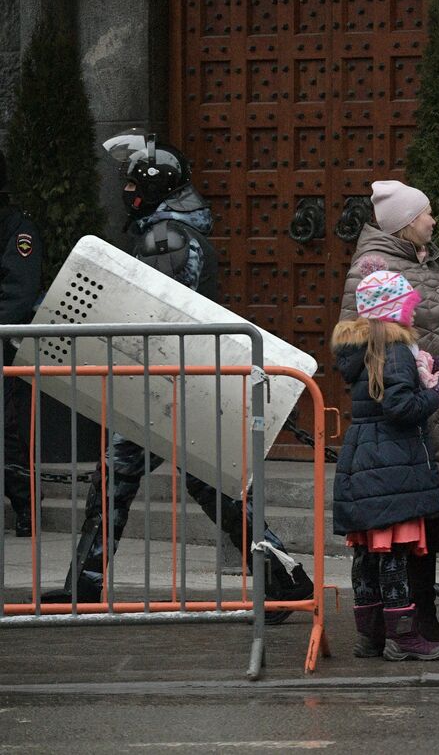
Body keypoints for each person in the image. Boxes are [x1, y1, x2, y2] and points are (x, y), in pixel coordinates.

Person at [44, 133, 313, 618]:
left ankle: (286, 579)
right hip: (172, 385)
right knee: (133, 481)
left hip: (169, 386)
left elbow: (153, 318)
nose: (127, 190)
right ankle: (84, 583)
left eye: (133, 181)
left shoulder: (164, 237)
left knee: (171, 484)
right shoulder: (169, 230)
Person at [338, 180, 439, 652]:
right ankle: (407, 625)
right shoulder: (374, 269)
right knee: (404, 528)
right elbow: (356, 341)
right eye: (426, 214)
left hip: (429, 410)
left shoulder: (421, 259)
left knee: (422, 525)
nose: (433, 220)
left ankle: (413, 622)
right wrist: (421, 383)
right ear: (404, 223)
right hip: (409, 413)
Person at [334, 263, 439, 661]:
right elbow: (400, 406)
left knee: (368, 553)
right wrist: (438, 391)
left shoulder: (360, 348)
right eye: (408, 304)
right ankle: (403, 637)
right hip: (393, 460)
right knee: (394, 553)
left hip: (362, 456)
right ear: (394, 310)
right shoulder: (397, 348)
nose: (413, 310)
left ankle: (368, 637)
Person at [0, 154, 42, 537]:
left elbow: (19, 290)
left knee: (7, 428)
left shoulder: (17, 230)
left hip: (1, 345)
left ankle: (26, 505)